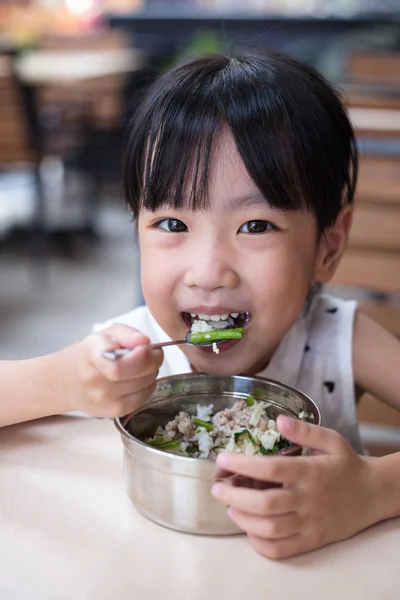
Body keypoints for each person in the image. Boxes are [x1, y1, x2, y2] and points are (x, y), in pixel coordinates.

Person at [2, 49, 400, 559]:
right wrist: (60, 380)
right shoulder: (127, 351)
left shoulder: (338, 339)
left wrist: (374, 490)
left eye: (255, 226)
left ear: (328, 247)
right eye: (172, 224)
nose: (209, 273)